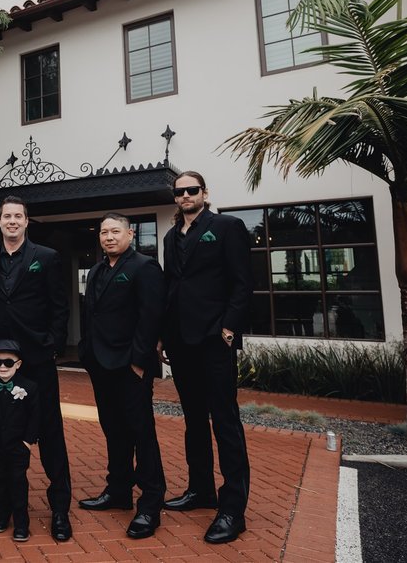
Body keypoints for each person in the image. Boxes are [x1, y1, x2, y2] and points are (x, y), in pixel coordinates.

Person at [0, 196, 73, 541]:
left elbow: (60, 308)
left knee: (49, 433)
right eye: (6, 216)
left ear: (27, 221)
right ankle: (5, 500)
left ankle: (59, 508)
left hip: (36, 362)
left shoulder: (46, 258)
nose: (12, 221)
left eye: (18, 216)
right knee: (2, 436)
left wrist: (51, 346)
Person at [160, 171, 251, 544]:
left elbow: (243, 282)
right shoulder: (169, 236)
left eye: (191, 190)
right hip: (181, 343)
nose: (185, 195)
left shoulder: (227, 227)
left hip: (215, 340)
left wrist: (229, 328)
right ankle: (201, 490)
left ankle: (233, 509)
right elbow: (170, 287)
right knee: (194, 420)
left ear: (204, 193)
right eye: (180, 191)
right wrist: (164, 338)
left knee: (224, 421)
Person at [78, 213, 166, 539]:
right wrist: (86, 353)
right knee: (113, 431)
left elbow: (151, 316)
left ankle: (150, 504)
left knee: (141, 434)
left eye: (116, 231)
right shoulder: (98, 269)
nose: (109, 237)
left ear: (130, 233)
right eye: (104, 232)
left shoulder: (145, 267)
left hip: (131, 367)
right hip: (100, 365)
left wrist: (140, 362)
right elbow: (92, 314)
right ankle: (118, 491)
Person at [0, 339, 40, 543]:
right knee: (1, 480)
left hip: (18, 446)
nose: (3, 367)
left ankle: (21, 522)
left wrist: (28, 442)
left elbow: (35, 418)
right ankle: (3, 516)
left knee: (18, 482)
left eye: (8, 362)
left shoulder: (29, 387)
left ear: (18, 364)